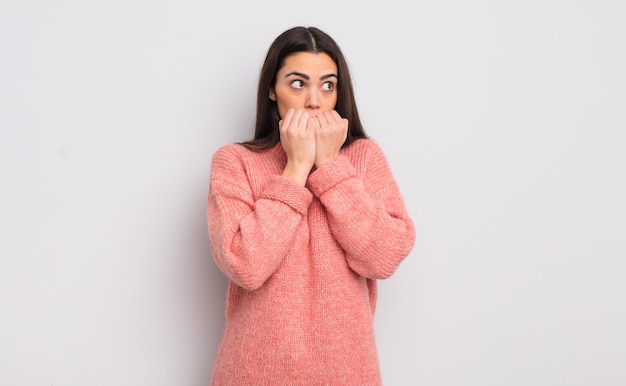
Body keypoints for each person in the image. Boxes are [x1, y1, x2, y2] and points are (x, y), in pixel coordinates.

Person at [207, 26, 415, 385]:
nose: (315, 101)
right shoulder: (235, 162)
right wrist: (296, 168)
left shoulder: (363, 158)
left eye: (328, 85)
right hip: (254, 373)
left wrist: (331, 167)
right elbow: (246, 265)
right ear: (272, 89)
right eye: (298, 83)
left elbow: (385, 256)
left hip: (348, 373)